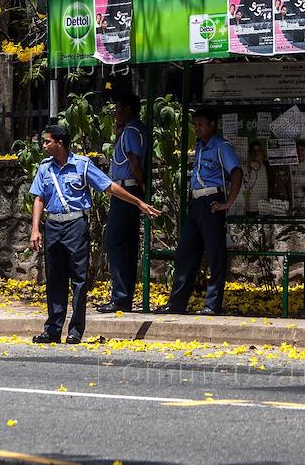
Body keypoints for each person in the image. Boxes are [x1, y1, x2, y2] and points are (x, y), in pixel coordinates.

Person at [30, 124, 161, 343]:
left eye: (47, 141)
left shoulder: (82, 165)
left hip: (75, 225)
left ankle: (75, 330)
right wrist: (35, 229)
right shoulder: (45, 168)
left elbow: (109, 186)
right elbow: (39, 198)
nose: (43, 145)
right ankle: (52, 329)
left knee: (79, 280)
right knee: (54, 279)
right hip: (53, 226)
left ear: (60, 143)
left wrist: (138, 202)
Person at [161, 108, 243, 316]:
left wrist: (228, 203)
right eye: (195, 124)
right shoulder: (199, 146)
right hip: (196, 202)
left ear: (212, 125)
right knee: (185, 251)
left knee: (215, 253)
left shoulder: (221, 146)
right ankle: (177, 303)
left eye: (200, 124)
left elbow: (236, 172)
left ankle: (212, 304)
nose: (196, 128)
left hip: (212, 200)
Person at [97, 93, 149, 313]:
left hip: (127, 188)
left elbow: (134, 162)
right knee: (125, 243)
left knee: (116, 241)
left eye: (118, 107)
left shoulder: (131, 131)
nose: (115, 112)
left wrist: (141, 186)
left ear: (127, 109)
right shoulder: (129, 130)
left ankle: (120, 296)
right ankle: (123, 296)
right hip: (127, 187)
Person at [241, 140, 270, 214]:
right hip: (251, 206)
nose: (256, 153)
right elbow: (245, 186)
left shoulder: (264, 166)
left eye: (258, 150)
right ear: (250, 152)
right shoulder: (246, 167)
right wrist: (249, 170)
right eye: (254, 151)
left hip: (264, 204)